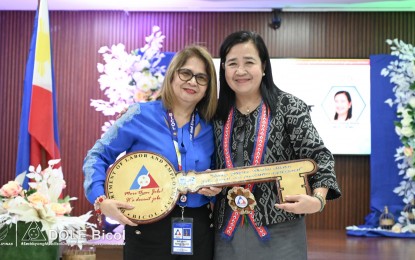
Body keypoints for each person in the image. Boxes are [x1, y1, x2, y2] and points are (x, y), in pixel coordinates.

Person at [212, 31, 341, 260]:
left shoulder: (289, 107)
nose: (240, 71)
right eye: (232, 63)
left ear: (263, 67)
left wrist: (318, 201)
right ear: (224, 69)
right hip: (227, 231)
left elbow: (319, 156)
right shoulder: (216, 114)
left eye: (249, 62)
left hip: (280, 230)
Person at [83, 45, 221, 260]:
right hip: (147, 228)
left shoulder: (213, 126)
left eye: (201, 78)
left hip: (199, 229)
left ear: (208, 87)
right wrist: (100, 199)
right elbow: (97, 156)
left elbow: (220, 171)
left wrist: (215, 186)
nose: (192, 81)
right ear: (172, 75)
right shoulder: (139, 115)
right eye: (186, 73)